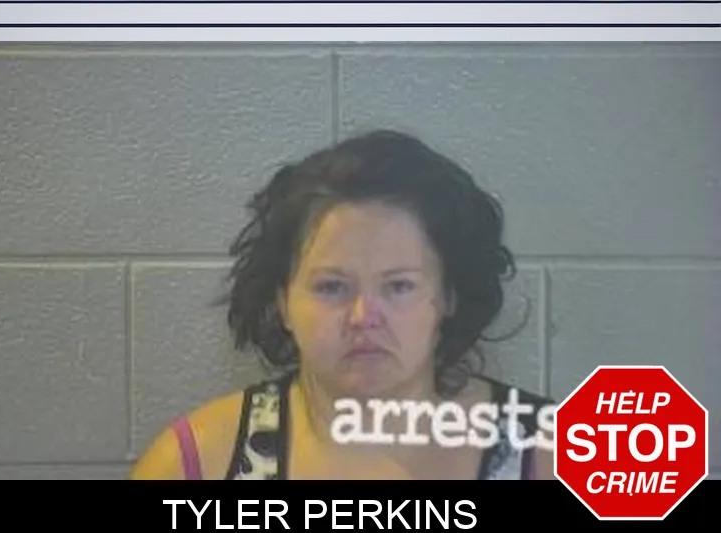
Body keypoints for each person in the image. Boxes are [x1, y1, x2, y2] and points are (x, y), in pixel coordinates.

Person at [130, 129, 556, 481]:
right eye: (331, 287)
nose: (363, 318)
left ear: (448, 297)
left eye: (399, 286)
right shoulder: (198, 462)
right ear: (283, 303)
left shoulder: (558, 454)